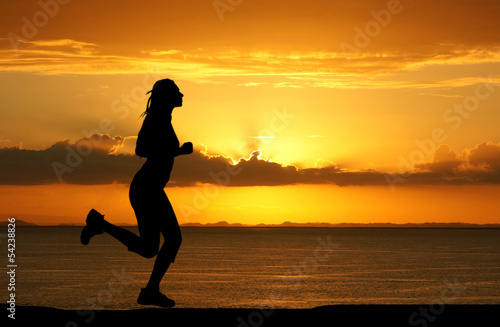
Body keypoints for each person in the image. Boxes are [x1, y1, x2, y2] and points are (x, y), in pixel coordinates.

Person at [80, 79, 193, 307]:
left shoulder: (164, 118)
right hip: (147, 188)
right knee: (173, 239)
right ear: (167, 96)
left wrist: (177, 152)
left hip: (149, 188)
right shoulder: (156, 118)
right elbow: (141, 149)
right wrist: (177, 151)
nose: (182, 95)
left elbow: (159, 152)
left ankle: (100, 225)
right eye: (177, 92)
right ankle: (151, 291)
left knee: (150, 248)